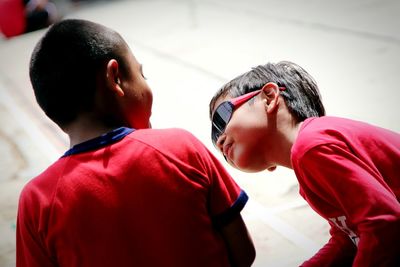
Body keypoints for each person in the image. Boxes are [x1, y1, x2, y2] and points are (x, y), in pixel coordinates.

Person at [16, 19, 255, 267]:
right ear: (115, 77)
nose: (146, 83)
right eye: (142, 74)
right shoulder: (180, 147)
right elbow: (243, 253)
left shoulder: (37, 202)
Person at [209, 61, 400, 267]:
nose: (219, 140)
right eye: (214, 136)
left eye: (221, 118)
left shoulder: (312, 146)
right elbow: (348, 240)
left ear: (269, 97)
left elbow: (384, 225)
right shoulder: (310, 162)